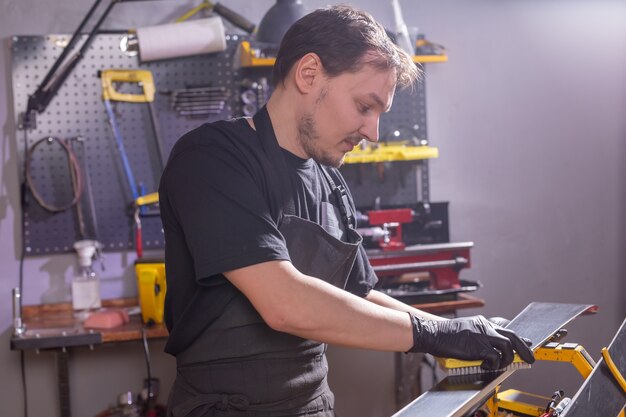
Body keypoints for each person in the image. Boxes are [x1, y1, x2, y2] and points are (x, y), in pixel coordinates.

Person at [158, 5, 534, 417]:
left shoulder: (329, 181)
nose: (373, 133)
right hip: (227, 409)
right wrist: (433, 332)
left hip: (312, 406)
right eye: (364, 106)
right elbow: (284, 303)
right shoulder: (213, 159)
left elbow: (359, 293)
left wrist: (460, 332)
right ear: (309, 74)